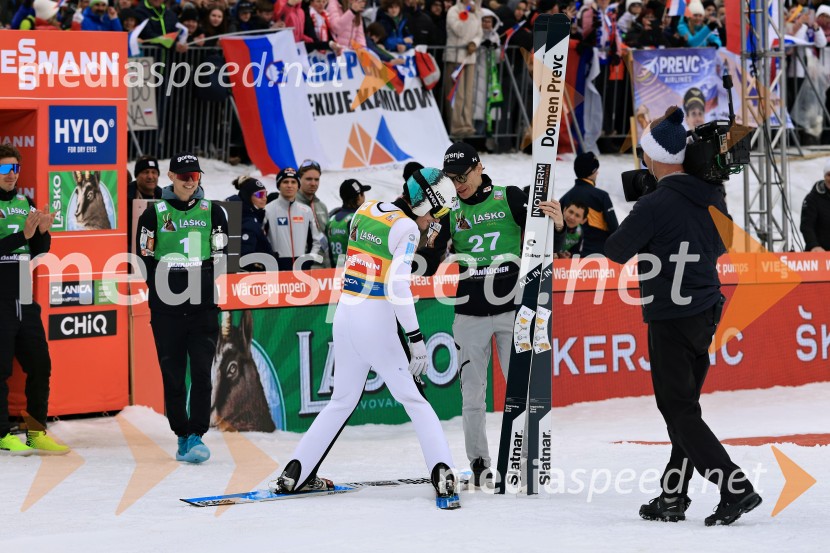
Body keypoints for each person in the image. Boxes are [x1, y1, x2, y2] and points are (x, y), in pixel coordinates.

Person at [604, 107, 762, 526]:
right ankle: (672, 497)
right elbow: (724, 244)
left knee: (678, 411)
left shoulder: (654, 205)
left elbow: (614, 253)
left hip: (671, 316)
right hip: (707, 310)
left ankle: (735, 486)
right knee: (685, 409)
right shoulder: (712, 194)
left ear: (654, 158)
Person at [269, 167, 461, 508]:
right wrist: (416, 339)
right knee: (415, 401)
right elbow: (398, 285)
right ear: (422, 204)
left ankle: (293, 474)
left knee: (340, 402)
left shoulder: (366, 208)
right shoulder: (406, 228)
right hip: (376, 321)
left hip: (345, 316)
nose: (434, 220)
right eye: (434, 211)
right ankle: (443, 473)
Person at [441, 142, 564, 486]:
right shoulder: (451, 212)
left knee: (520, 391)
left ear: (479, 167)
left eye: (462, 176)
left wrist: (557, 222)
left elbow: (544, 235)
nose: (458, 184)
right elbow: (427, 257)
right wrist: (428, 233)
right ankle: (479, 463)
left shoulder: (508, 196)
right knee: (472, 396)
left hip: (512, 310)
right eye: (451, 179)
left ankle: (525, 462)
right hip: (469, 314)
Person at [136, 152, 228, 463]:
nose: (190, 181)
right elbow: (144, 258)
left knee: (202, 372)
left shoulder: (213, 211)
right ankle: (182, 435)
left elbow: (220, 253)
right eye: (184, 176)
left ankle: (197, 434)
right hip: (167, 309)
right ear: (172, 177)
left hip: (202, 307)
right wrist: (164, 290)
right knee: (173, 375)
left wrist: (202, 286)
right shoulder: (154, 213)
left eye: (196, 176)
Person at [0, 144, 68, 456]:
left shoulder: (24, 202)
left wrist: (42, 232)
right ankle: (2, 435)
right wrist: (21, 237)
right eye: (4, 169)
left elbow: (37, 251)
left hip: (24, 296)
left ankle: (36, 432)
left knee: (41, 364)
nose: (11, 175)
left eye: (14, 168)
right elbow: (17, 242)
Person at [392, 161, 452, 276]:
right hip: (417, 269)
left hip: (422, 267)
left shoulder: (435, 208)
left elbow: (432, 255)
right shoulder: (403, 208)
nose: (437, 219)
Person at [263, 167, 324, 271]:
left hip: (302, 269)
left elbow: (316, 241)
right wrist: (270, 261)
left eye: (293, 182)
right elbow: (261, 241)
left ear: (298, 186)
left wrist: (309, 260)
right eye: (285, 182)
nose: (289, 185)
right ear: (279, 185)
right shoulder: (267, 210)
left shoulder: (306, 211)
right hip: (277, 269)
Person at [559, 152, 618, 256]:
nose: (597, 173)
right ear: (592, 172)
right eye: (596, 170)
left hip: (570, 259)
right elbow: (615, 230)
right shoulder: (601, 196)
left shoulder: (564, 198)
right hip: (598, 257)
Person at [444, 0, 483, 137]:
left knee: (468, 93)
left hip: (470, 58)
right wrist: (466, 12)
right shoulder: (453, 11)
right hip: (456, 58)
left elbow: (479, 32)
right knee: (457, 94)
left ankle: (467, 124)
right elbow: (459, 30)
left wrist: (474, 43)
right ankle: (456, 126)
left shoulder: (476, 12)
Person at [295, 159, 331, 269]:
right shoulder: (292, 204)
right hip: (303, 270)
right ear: (299, 179)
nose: (313, 183)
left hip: (325, 269)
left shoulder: (321, 206)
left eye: (316, 179)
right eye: (308, 179)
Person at [327, 178, 371, 266]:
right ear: (359, 196)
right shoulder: (356, 220)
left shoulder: (332, 219)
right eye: (363, 194)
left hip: (334, 273)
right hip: (353, 274)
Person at [235, 177, 272, 271]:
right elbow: (246, 257)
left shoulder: (254, 216)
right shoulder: (248, 220)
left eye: (265, 194)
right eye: (259, 195)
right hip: (251, 278)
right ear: (247, 196)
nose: (264, 198)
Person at [127, 155, 162, 251]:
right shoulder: (124, 198)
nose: (150, 177)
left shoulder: (165, 198)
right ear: (136, 175)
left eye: (154, 172)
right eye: (145, 172)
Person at [800, 159, 830, 252]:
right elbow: (806, 226)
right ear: (824, 176)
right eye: (829, 175)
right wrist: (814, 246)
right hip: (819, 256)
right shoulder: (812, 199)